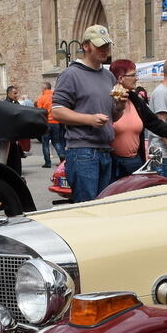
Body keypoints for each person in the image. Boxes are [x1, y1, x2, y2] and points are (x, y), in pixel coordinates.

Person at [51, 24, 120, 202]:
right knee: (87, 208)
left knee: (103, 207)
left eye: (107, 45)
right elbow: (57, 112)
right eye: (100, 46)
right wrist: (89, 119)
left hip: (105, 149)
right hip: (83, 152)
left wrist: (119, 106)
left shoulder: (108, 76)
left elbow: (114, 116)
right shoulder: (71, 74)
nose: (105, 50)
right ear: (86, 46)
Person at [108, 59, 167, 178]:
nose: (137, 78)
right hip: (113, 164)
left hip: (134, 162)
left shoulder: (135, 100)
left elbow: (155, 123)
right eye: (133, 75)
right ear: (120, 78)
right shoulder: (107, 100)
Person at [34, 82, 59, 168]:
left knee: (45, 143)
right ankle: (63, 159)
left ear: (44, 89)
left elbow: (39, 111)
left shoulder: (41, 98)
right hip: (56, 122)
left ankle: (48, 162)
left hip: (46, 122)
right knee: (57, 142)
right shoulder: (55, 97)